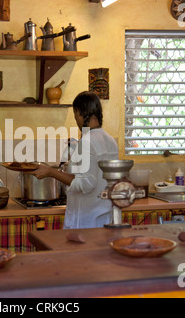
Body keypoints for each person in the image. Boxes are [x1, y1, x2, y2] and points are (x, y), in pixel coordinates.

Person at [29, 91, 119, 229]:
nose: (76, 120)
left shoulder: (87, 141)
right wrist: (78, 148)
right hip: (106, 219)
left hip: (85, 223)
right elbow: (98, 170)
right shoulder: (110, 140)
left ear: (80, 112)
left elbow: (86, 184)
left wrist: (50, 172)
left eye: (75, 115)